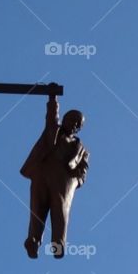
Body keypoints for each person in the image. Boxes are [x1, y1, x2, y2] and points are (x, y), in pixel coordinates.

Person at [19, 89, 89, 259]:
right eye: (72, 119)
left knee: (60, 212)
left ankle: (58, 244)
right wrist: (52, 97)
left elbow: (83, 170)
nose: (74, 124)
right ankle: (33, 241)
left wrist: (76, 180)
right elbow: (51, 115)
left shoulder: (82, 150)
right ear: (64, 119)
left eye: (78, 124)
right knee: (37, 209)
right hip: (43, 173)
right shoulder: (53, 130)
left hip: (63, 180)